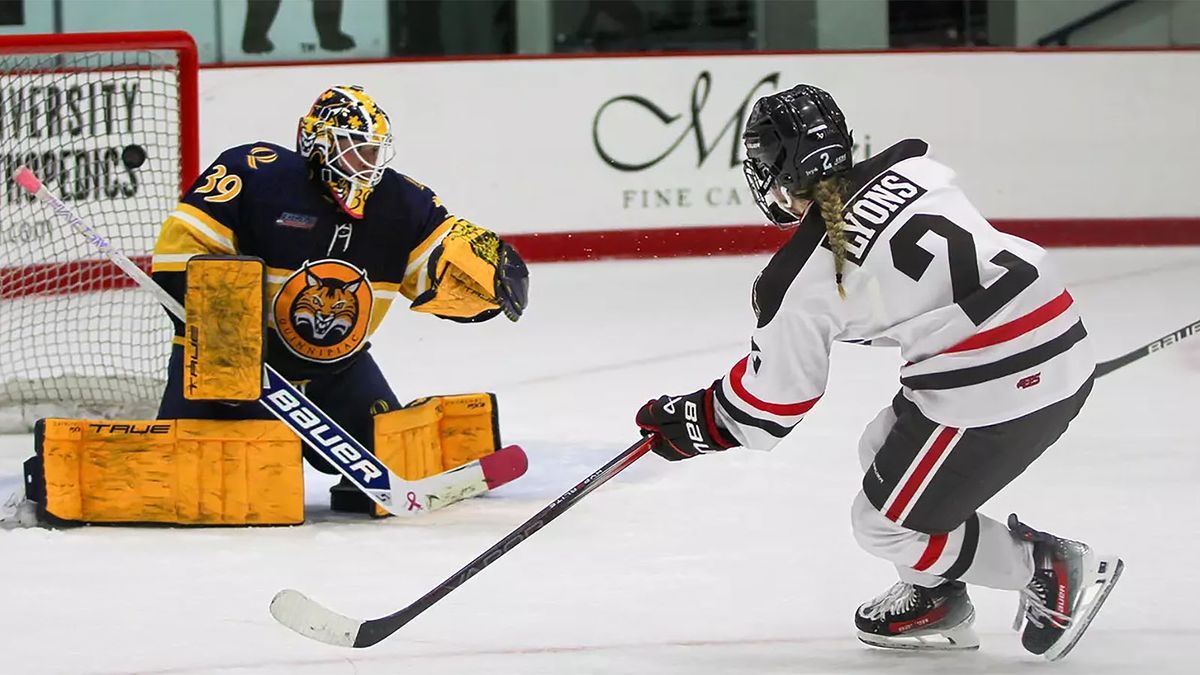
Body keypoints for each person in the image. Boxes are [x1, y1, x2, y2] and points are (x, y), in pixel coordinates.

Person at [634, 84, 1122, 661]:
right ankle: (934, 598)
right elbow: (892, 274)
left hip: (994, 384)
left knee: (882, 525)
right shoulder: (914, 167)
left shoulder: (798, 281)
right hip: (1054, 335)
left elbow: (770, 408)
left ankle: (1045, 568)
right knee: (881, 444)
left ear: (772, 172)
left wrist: (695, 420)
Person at [151, 84, 528, 513]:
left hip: (339, 369)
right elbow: (180, 252)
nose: (365, 166)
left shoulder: (401, 202)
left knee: (389, 455)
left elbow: (440, 258)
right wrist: (226, 334)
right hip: (229, 371)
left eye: (373, 153)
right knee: (225, 482)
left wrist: (485, 268)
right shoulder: (256, 174)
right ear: (317, 143)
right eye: (353, 150)